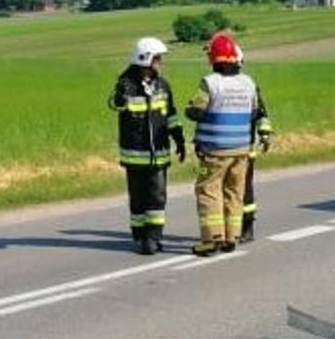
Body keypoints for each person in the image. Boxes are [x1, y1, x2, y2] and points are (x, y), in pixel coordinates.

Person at [186, 32, 270, 256]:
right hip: (241, 149)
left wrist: (189, 108)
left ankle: (212, 238)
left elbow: (196, 111)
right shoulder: (248, 82)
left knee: (208, 190)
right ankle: (232, 236)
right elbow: (254, 111)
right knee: (235, 192)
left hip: (214, 150)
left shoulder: (210, 83)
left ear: (213, 58)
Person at [109, 37, 187, 255]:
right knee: (138, 197)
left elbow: (170, 115)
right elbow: (116, 104)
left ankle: (153, 237)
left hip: (159, 154)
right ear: (145, 59)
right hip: (135, 154)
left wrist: (179, 139)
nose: (160, 62)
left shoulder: (163, 85)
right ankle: (140, 234)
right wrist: (121, 92)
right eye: (157, 58)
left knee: (157, 195)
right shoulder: (127, 85)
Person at [233, 42, 274, 243]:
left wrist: (264, 133)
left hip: (244, 148)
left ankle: (247, 227)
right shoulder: (217, 84)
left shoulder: (248, 85)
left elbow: (261, 112)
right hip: (225, 148)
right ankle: (229, 229)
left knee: (244, 189)